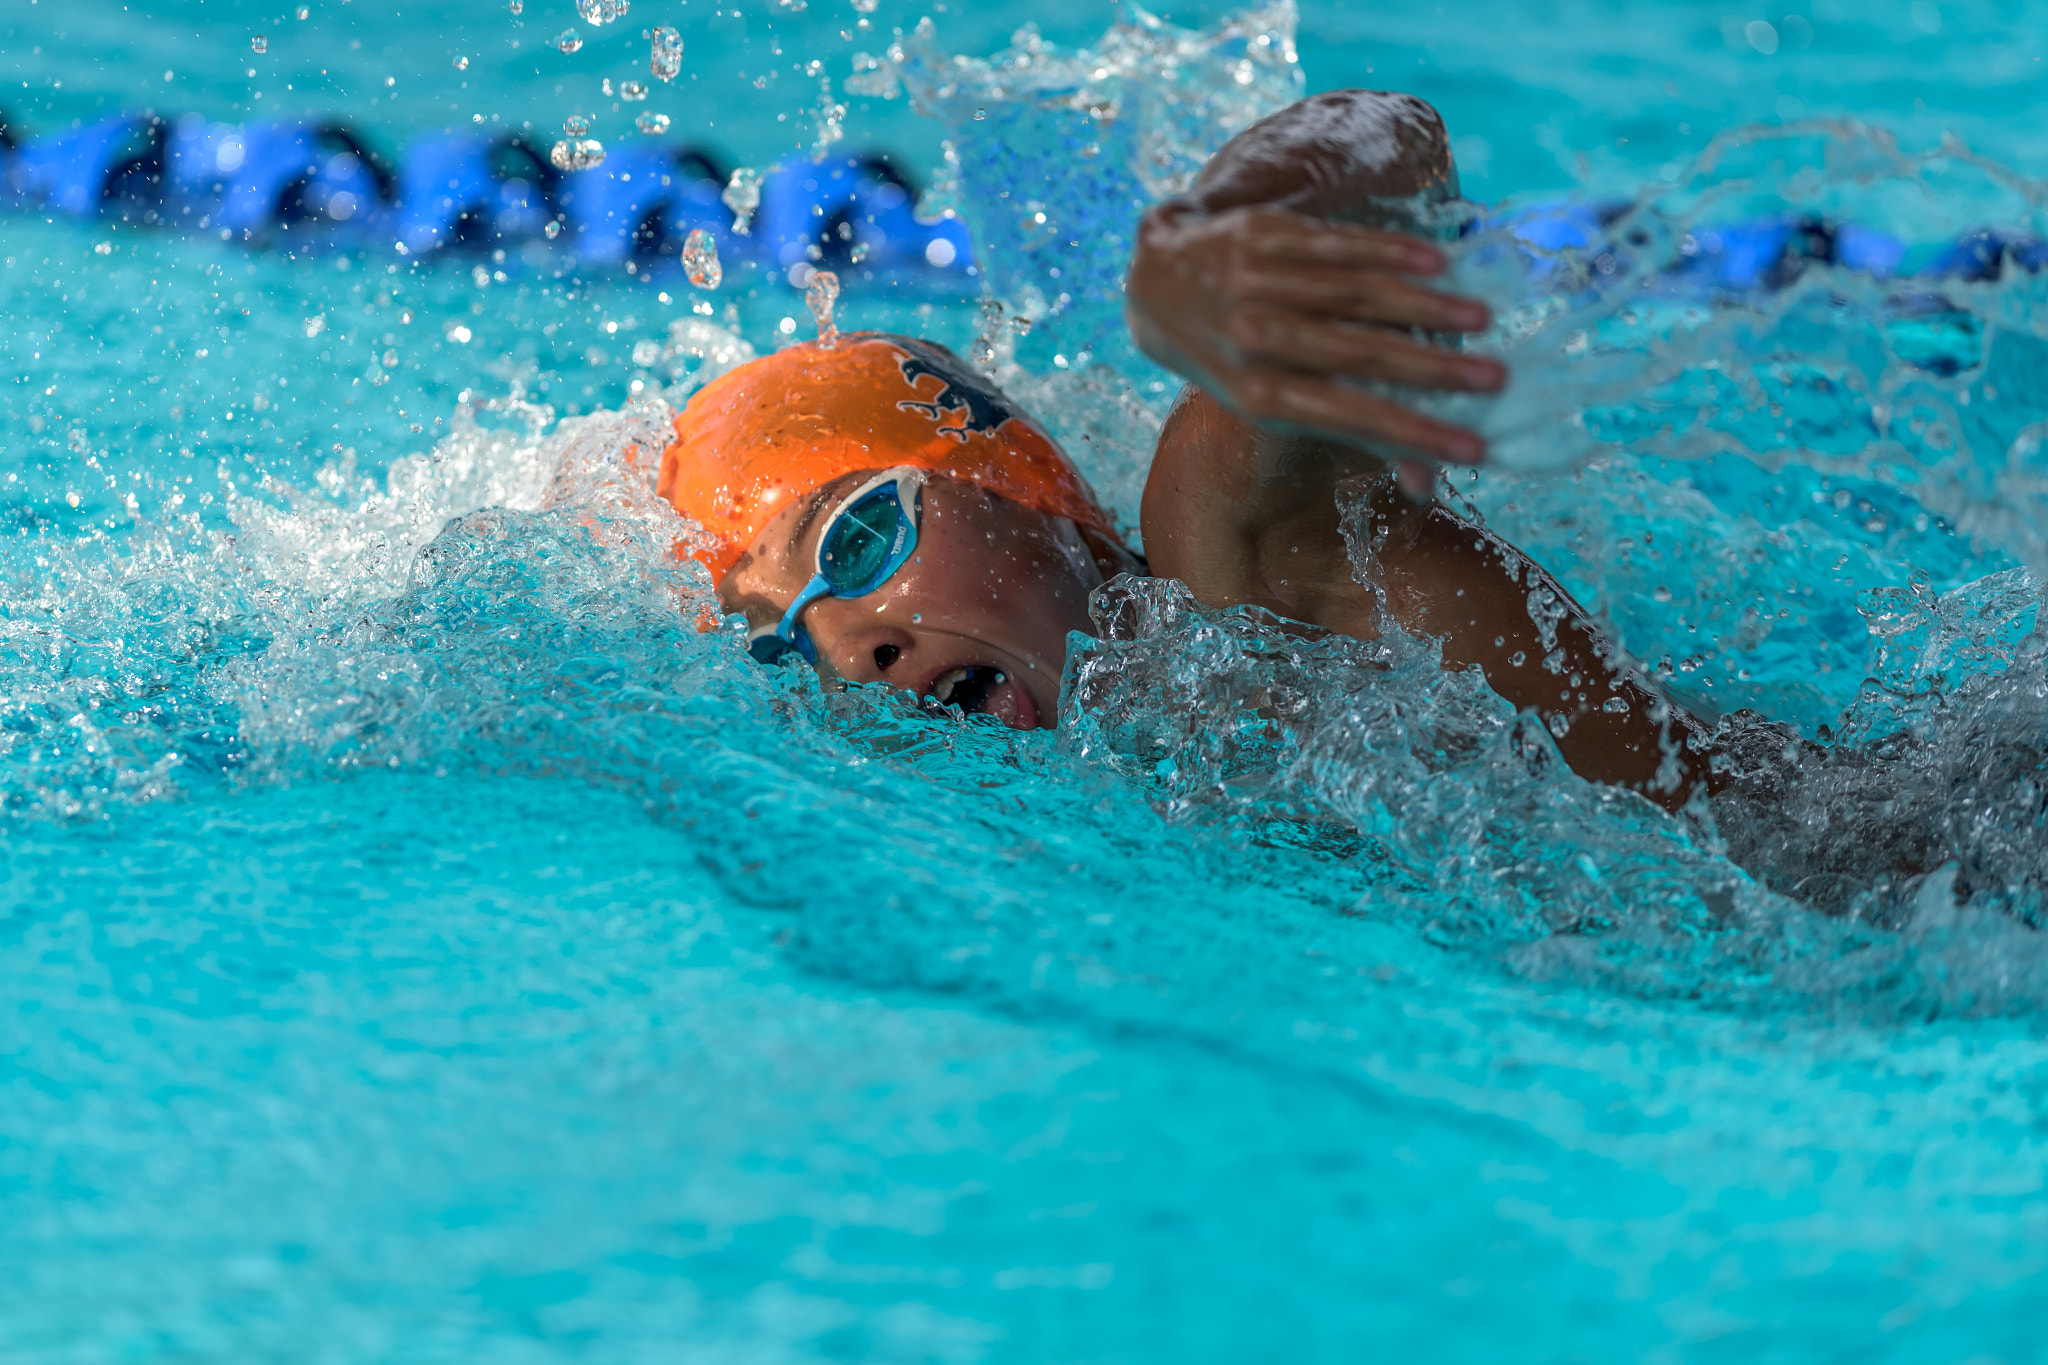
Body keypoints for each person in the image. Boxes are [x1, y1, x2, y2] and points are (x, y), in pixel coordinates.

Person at [657, 90, 1720, 812]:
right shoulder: (1108, 790)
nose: (852, 651)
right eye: (783, 646)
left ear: (1017, 488)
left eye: (854, 541)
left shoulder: (1227, 558)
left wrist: (1236, 238)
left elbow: (1388, 135)